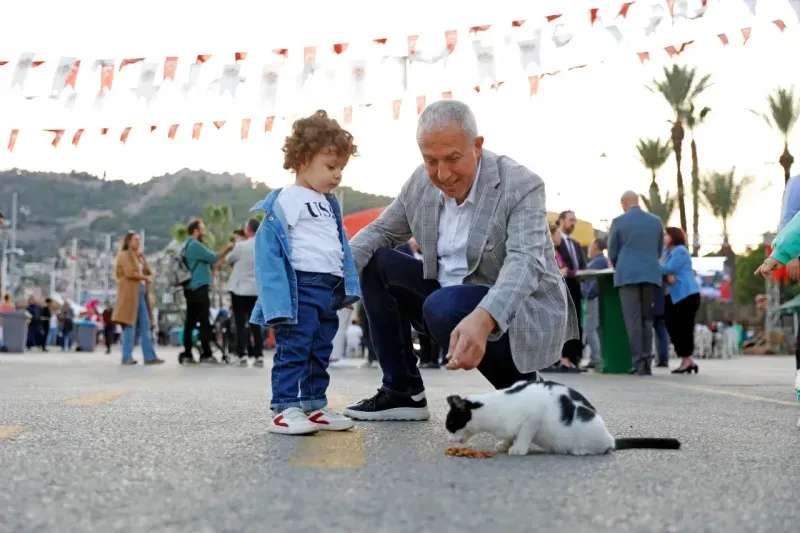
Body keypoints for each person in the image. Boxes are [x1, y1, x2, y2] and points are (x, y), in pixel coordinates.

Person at [344, 100, 576, 421]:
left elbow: (526, 263)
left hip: (515, 311)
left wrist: (483, 317)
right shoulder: (420, 183)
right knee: (378, 262)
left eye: (453, 159)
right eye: (431, 161)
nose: (443, 174)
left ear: (477, 146)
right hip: (445, 300)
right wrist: (336, 278)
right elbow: (382, 230)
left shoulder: (520, 184)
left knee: (444, 306)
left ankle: (525, 390)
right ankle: (402, 391)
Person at [250, 110, 361, 435]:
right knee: (294, 347)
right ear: (301, 161)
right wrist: (276, 300)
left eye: (341, 167)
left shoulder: (329, 203)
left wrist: (344, 289)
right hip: (298, 287)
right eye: (330, 167)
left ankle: (314, 404)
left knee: (320, 347)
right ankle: (284, 407)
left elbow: (337, 246)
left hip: (326, 287)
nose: (337, 175)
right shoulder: (287, 199)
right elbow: (268, 251)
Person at [607, 190, 664, 375]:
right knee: (647, 320)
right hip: (650, 275)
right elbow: (658, 249)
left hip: (627, 276)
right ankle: (647, 362)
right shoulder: (656, 221)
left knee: (633, 321)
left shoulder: (618, 222)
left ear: (624, 202)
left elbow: (612, 251)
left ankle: (638, 363)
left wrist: (620, 265)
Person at [112, 232, 164, 365]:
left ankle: (149, 356)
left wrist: (144, 260)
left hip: (141, 292)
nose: (138, 242)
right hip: (130, 293)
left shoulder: (138, 256)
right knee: (130, 325)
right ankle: (126, 356)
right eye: (136, 239)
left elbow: (149, 271)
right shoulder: (124, 255)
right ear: (129, 241)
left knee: (146, 324)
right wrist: (144, 277)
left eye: (139, 240)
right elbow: (129, 273)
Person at [218, 219, 263, 367]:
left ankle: (242, 355)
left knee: (240, 322)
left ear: (248, 230)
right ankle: (258, 356)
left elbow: (229, 260)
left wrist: (236, 244)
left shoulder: (241, 246)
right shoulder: (265, 246)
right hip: (256, 290)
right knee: (255, 323)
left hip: (239, 289)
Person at [661, 227, 701, 374]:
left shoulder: (680, 251)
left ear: (674, 237)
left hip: (687, 295)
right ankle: (688, 360)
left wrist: (664, 269)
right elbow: (664, 269)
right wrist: (666, 273)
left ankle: (686, 360)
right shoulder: (666, 252)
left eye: (667, 235)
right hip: (674, 297)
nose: (664, 237)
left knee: (684, 328)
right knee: (672, 326)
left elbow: (667, 267)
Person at [182, 218, 220, 364]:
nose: (204, 232)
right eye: (202, 229)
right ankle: (206, 354)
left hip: (189, 288)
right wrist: (228, 248)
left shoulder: (186, 245)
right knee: (204, 321)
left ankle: (187, 354)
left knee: (190, 322)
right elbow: (213, 257)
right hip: (199, 288)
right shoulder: (195, 245)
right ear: (196, 231)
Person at [546, 223, 581, 372]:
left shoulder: (556, 252)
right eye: (558, 234)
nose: (560, 237)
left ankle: (562, 359)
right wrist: (563, 273)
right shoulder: (549, 253)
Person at [555, 210, 586, 369]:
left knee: (575, 324)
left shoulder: (575, 244)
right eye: (570, 220)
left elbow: (581, 265)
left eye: (575, 220)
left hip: (575, 287)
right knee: (564, 324)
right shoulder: (553, 242)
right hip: (559, 288)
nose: (573, 223)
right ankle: (563, 359)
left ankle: (573, 358)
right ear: (561, 220)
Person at [581, 238, 610, 369]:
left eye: (590, 246)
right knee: (594, 329)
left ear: (596, 247)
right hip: (596, 298)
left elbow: (589, 280)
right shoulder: (602, 261)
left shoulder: (597, 262)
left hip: (593, 298)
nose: (588, 249)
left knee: (590, 328)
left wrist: (587, 292)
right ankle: (597, 356)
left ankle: (596, 358)